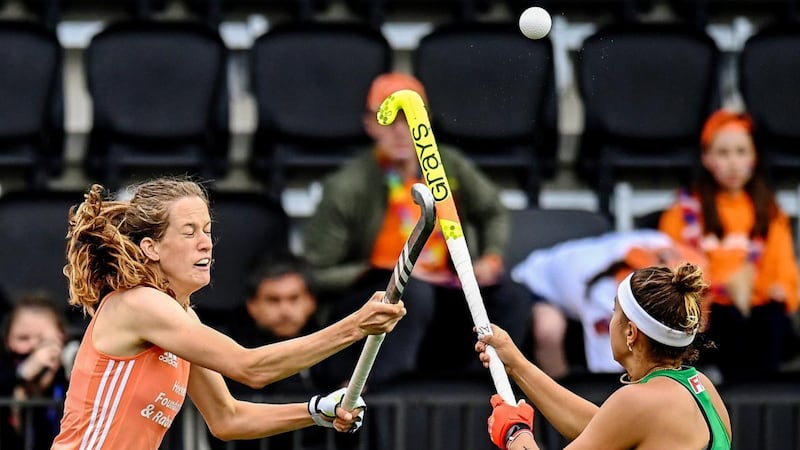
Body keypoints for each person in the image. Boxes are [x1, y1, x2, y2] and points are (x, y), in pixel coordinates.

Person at [51, 177, 406, 449]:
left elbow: (227, 418)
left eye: (206, 230)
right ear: (151, 247)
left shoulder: (181, 318)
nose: (205, 242)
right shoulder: (139, 304)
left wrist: (316, 410)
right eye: (188, 232)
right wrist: (355, 327)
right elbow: (250, 368)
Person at [303, 72, 531, 388]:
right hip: (376, 295)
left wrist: (490, 258)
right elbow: (317, 273)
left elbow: (493, 211)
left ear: (427, 123)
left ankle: (483, 387)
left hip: (444, 290)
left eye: (410, 118)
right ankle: (373, 388)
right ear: (370, 125)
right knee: (414, 290)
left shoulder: (448, 165)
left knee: (512, 297)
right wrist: (381, 271)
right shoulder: (348, 185)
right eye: (389, 119)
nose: (400, 130)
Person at [478, 262, 732, 450]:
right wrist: (516, 363)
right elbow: (603, 428)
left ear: (631, 332)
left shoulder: (638, 402)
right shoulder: (701, 386)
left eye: (615, 312)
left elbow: (617, 424)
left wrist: (514, 432)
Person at [658, 109, 799, 380]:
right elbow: (676, 273)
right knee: (727, 321)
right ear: (706, 158)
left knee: (771, 321)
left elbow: (782, 274)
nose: (733, 163)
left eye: (741, 151)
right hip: (712, 313)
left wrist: (765, 291)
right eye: (723, 153)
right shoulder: (682, 212)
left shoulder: (768, 212)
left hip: (758, 312)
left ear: (754, 157)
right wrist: (727, 287)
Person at [206, 256, 327, 449]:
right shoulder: (230, 348)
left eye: (294, 298)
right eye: (273, 300)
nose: (285, 310)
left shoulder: (331, 349)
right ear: (252, 306)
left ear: (311, 301)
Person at [0, 292, 74, 450]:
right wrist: (21, 374)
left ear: (62, 337)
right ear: (7, 341)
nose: (35, 349)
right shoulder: (5, 368)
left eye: (43, 340)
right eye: (23, 338)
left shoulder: (73, 369)